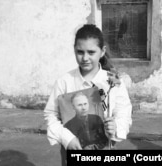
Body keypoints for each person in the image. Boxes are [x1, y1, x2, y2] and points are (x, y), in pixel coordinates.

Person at [44, 24, 132, 164]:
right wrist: (67, 138)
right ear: (74, 50)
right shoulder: (64, 82)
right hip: (72, 152)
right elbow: (51, 115)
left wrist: (116, 127)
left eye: (91, 52)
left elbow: (124, 112)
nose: (85, 58)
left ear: (102, 51)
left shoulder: (113, 80)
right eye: (80, 52)